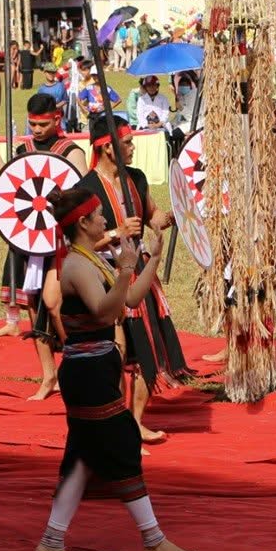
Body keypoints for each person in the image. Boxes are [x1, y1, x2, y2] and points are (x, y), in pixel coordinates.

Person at [34, 184, 197, 551]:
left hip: (95, 367)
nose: (106, 219)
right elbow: (106, 312)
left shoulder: (92, 257)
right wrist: (125, 267)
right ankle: (153, 539)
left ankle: (52, 540)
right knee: (122, 445)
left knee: (82, 457)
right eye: (99, 215)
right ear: (84, 222)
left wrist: (151, 260)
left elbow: (131, 300)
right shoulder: (76, 265)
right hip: (87, 372)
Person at [82, 118, 188, 440]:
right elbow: (79, 243)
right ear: (106, 149)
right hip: (106, 277)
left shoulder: (136, 178)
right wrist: (116, 233)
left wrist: (170, 217)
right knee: (117, 351)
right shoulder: (85, 189)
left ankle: (136, 422)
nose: (132, 147)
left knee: (145, 351)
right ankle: (117, 424)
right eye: (126, 143)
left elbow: (151, 214)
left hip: (140, 275)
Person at [0, 94, 87, 399]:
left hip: (57, 243)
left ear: (57, 119)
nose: (37, 129)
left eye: (42, 124)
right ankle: (47, 376)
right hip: (27, 240)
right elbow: (13, 185)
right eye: (32, 124)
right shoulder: (23, 149)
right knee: (31, 305)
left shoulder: (71, 152)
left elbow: (78, 196)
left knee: (57, 308)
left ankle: (74, 369)